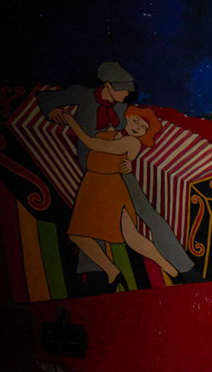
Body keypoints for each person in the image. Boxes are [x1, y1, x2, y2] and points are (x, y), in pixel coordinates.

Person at [56, 106, 181, 284]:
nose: (138, 127)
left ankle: (172, 271)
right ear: (128, 116)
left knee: (132, 238)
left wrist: (70, 121)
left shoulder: (132, 142)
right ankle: (112, 271)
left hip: (111, 189)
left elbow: (92, 144)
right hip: (92, 186)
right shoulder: (111, 131)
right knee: (78, 235)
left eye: (143, 128)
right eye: (137, 121)